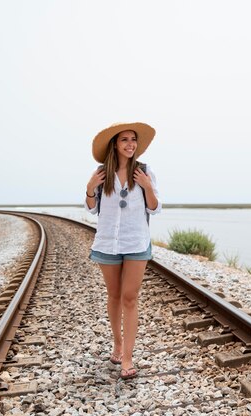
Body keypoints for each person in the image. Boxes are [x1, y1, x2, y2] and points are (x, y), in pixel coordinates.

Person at [84, 122, 162, 380]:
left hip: (136, 242)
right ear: (115, 145)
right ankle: (117, 343)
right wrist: (89, 188)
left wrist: (148, 187)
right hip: (108, 242)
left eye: (133, 140)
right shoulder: (101, 173)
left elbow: (153, 208)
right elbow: (92, 209)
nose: (130, 144)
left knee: (130, 298)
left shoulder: (145, 171)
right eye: (125, 140)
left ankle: (127, 357)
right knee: (114, 295)